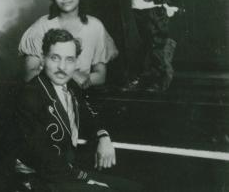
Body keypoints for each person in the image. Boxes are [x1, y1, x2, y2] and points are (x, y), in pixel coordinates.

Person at [15, 29, 142, 191]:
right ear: (43, 57)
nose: (62, 67)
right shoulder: (29, 96)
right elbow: (46, 161)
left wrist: (103, 135)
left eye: (69, 59)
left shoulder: (71, 86)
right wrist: (86, 180)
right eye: (55, 58)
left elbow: (87, 115)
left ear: (76, 62)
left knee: (136, 188)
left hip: (65, 170)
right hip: (40, 179)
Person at [19, 0, 118, 88]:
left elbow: (100, 76)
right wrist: (72, 75)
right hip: (48, 94)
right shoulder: (41, 26)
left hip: (82, 95)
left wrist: (81, 79)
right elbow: (29, 74)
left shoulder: (95, 26)